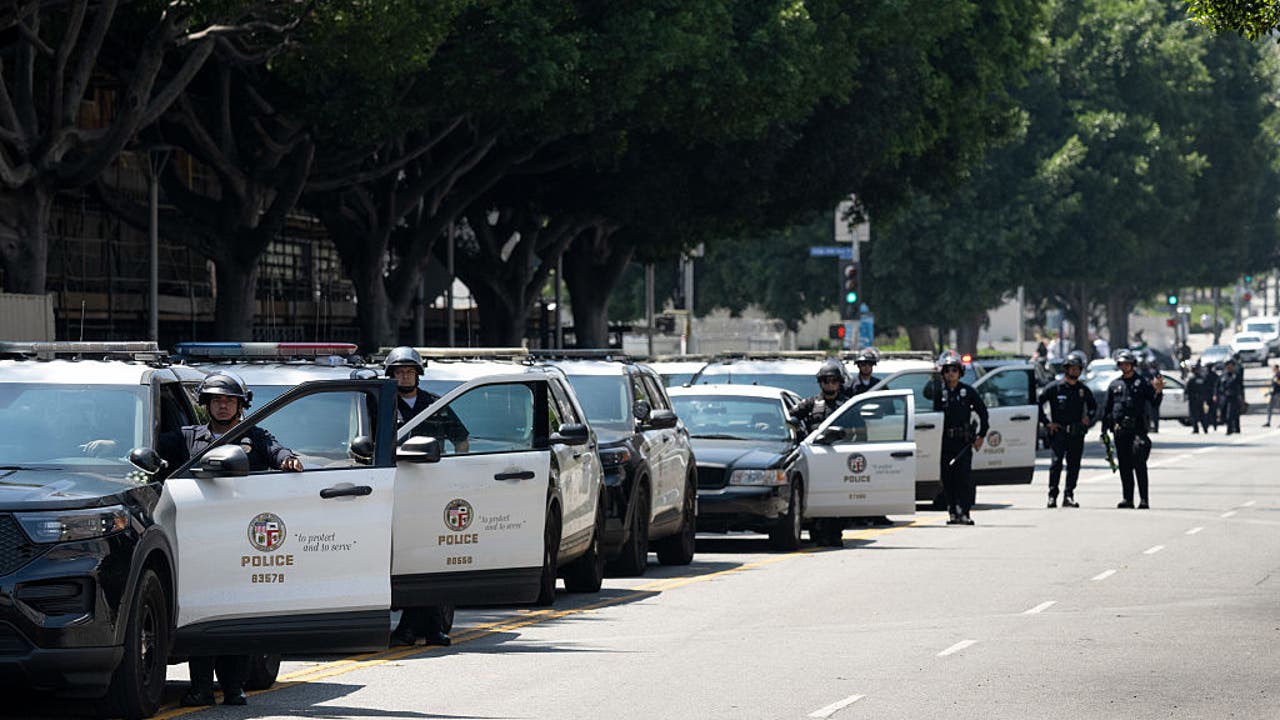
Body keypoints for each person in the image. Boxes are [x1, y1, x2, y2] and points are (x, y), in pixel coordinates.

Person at [167, 372, 302, 708]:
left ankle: (233, 687)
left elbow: (278, 450)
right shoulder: (187, 437)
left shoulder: (255, 436)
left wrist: (287, 460)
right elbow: (151, 453)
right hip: (199, 538)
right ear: (206, 404)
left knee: (236, 612)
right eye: (216, 400)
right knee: (201, 612)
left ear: (241, 405)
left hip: (242, 538)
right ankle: (200, 687)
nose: (223, 406)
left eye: (229, 400)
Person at [383, 346, 466, 647]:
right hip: (395, 488)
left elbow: (461, 439)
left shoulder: (434, 404)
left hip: (432, 489)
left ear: (418, 374)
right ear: (391, 375)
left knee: (431, 557)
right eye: (399, 372)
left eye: (409, 371)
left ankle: (425, 628)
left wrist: (455, 475)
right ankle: (424, 628)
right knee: (408, 558)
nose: (404, 376)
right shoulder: (381, 404)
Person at [930, 350, 989, 525]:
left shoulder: (968, 392)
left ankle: (964, 512)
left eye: (954, 370)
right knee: (948, 479)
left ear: (960, 372)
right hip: (944, 442)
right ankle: (953, 512)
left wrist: (981, 435)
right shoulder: (939, 392)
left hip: (963, 442)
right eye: (947, 370)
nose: (951, 374)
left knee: (963, 479)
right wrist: (934, 378)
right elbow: (926, 396)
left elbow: (983, 413)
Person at [1102, 349, 1162, 509]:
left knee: (1139, 463)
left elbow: (1154, 402)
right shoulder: (1114, 385)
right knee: (1124, 465)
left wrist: (1158, 391)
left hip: (1137, 430)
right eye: (1122, 364)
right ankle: (1127, 498)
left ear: (1133, 365)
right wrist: (1104, 430)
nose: (1124, 366)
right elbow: (1107, 409)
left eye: (1127, 364)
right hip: (1120, 431)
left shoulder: (1142, 383)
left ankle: (1144, 499)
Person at [1037, 350, 1096, 508]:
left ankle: (1068, 495)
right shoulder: (1054, 388)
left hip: (1076, 433)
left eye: (1078, 369)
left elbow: (1093, 407)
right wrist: (1047, 423)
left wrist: (1088, 418)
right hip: (1059, 432)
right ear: (1066, 369)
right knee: (1056, 464)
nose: (1075, 371)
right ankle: (1052, 496)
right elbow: (1038, 404)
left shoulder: (1082, 390)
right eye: (1072, 368)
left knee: (1073, 465)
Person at [791, 358, 853, 432]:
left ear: (840, 382)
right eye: (826, 381)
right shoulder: (811, 402)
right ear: (820, 383)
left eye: (834, 381)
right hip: (815, 439)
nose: (830, 384)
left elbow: (859, 428)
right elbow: (790, 417)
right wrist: (799, 429)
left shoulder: (847, 404)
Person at [1216, 358, 1244, 435]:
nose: (1229, 367)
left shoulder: (1236, 375)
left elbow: (1240, 387)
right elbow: (1217, 386)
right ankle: (1233, 427)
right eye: (1228, 365)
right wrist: (1215, 395)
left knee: (1231, 414)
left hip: (1233, 397)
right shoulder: (1223, 376)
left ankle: (1230, 429)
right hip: (1224, 397)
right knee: (1224, 413)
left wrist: (1241, 397)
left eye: (1231, 365)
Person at [1186, 361, 1210, 434]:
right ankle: (1204, 429)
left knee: (1194, 415)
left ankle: (1196, 429)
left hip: (1194, 399)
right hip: (1200, 399)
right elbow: (1206, 389)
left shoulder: (1191, 379)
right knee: (1201, 415)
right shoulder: (1202, 378)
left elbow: (1187, 389)